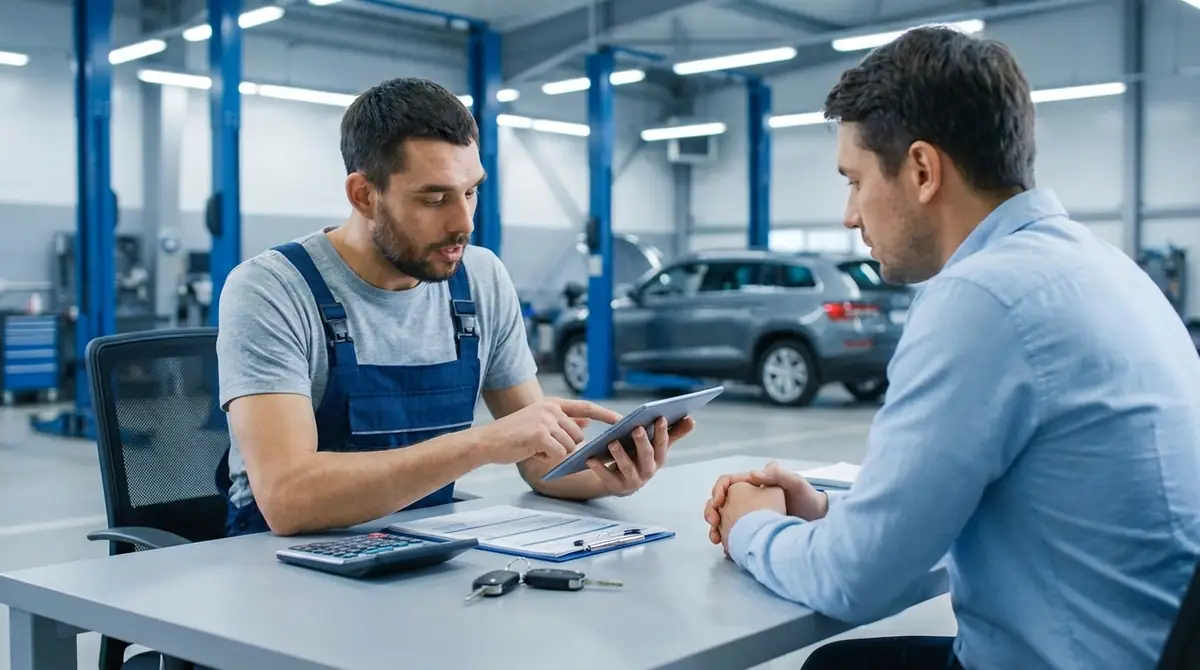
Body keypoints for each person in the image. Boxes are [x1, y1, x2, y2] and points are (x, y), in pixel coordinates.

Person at [703, 26, 1200, 670]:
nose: (849, 215)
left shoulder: (982, 297)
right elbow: (969, 513)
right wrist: (828, 512)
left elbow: (855, 582)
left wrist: (749, 526)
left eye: (854, 181)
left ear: (921, 170)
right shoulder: (1102, 268)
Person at [214, 77, 695, 537]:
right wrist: (483, 444)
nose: (463, 222)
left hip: (424, 550)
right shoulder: (272, 290)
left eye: (471, 191)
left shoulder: (480, 280)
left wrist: (607, 475)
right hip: (279, 568)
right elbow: (288, 497)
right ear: (364, 195)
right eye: (435, 198)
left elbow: (542, 461)